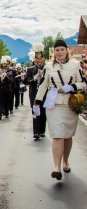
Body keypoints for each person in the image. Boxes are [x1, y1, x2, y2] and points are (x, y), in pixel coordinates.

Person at [34, 40, 86, 181]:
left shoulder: (75, 65)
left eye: (62, 49)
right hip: (54, 103)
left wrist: (73, 86)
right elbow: (43, 85)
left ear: (67, 50)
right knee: (57, 135)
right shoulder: (48, 66)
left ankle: (65, 161)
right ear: (54, 52)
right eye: (57, 50)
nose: (60, 52)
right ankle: (56, 167)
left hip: (70, 103)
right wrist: (37, 102)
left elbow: (83, 82)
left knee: (67, 135)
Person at [25, 43, 46, 139]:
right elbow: (25, 80)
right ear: (34, 60)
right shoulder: (30, 69)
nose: (38, 61)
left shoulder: (47, 68)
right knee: (35, 112)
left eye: (40, 59)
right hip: (34, 92)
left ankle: (42, 130)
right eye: (37, 59)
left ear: (43, 59)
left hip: (44, 93)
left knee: (43, 112)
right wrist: (34, 78)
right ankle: (36, 132)